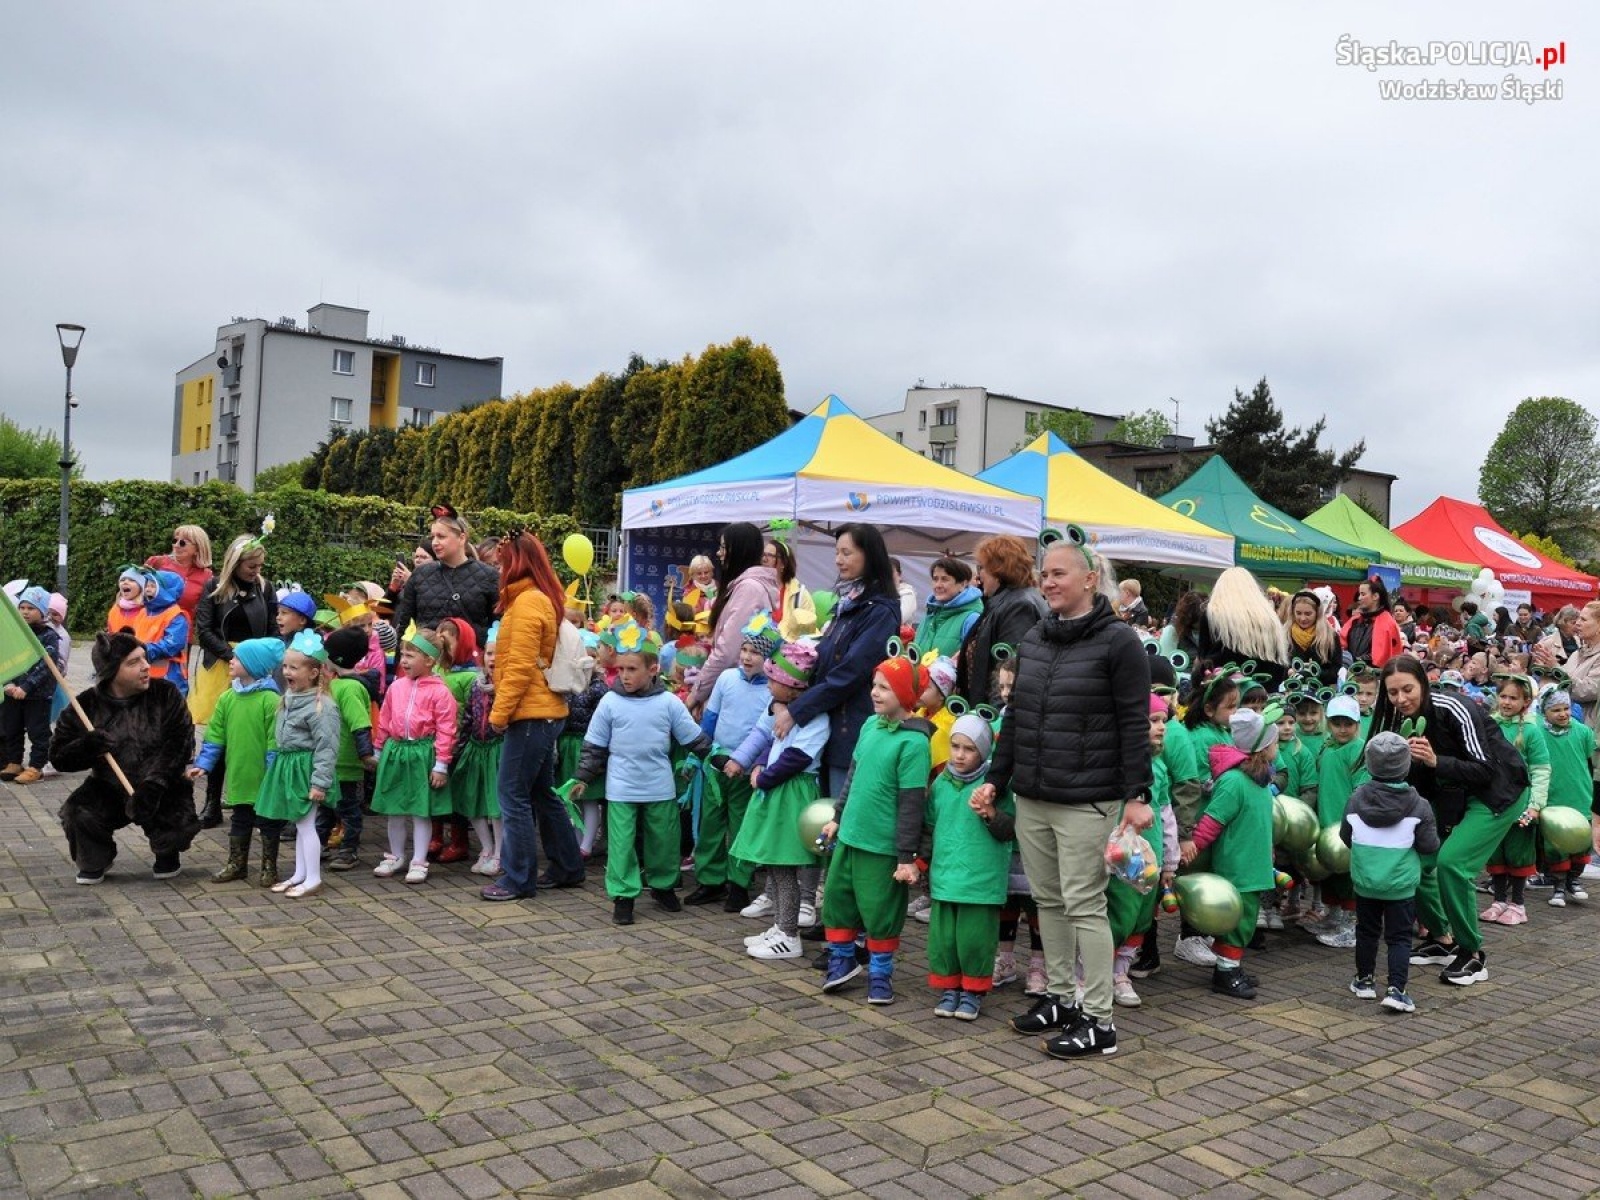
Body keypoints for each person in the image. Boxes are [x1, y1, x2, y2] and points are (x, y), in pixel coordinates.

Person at [976, 535, 1153, 1059]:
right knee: (1047, 901)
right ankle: (1058, 998)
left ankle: (1098, 1020)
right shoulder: (1035, 637)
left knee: (1083, 905)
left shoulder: (1119, 642)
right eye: (1044, 574)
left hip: (1087, 798)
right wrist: (998, 778)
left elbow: (1132, 724)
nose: (1048, 582)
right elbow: (1017, 718)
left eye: (1058, 573)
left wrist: (1138, 794)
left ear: (1089, 580)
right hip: (1034, 795)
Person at [1370, 655, 1526, 986]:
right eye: (1393, 693)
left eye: (1408, 689)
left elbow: (1484, 769)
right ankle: (1443, 939)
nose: (1401, 699)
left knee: (1452, 864)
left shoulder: (1454, 707)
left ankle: (1473, 954)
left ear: (1423, 683)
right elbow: (1417, 779)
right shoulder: (1399, 719)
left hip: (1497, 792)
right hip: (1452, 795)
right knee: (1416, 858)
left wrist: (1435, 760)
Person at [572, 622, 713, 926]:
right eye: (621, 669)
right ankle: (623, 897)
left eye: (632, 669)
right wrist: (582, 776)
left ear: (652, 669)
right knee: (621, 845)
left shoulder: (668, 703)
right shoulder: (610, 702)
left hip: (659, 787)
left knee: (663, 841)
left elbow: (694, 739)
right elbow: (594, 745)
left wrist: (720, 759)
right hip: (621, 788)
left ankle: (662, 886)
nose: (624, 675)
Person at [816, 655, 934, 1005]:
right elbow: (853, 775)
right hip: (850, 836)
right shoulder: (871, 726)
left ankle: (880, 973)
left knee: (881, 912)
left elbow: (913, 804)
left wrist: (906, 856)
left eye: (884, 687)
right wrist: (837, 817)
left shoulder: (914, 744)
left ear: (904, 693)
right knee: (838, 901)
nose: (874, 692)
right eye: (874, 685)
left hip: (882, 847)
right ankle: (841, 961)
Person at [50, 630, 201, 884]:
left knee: (174, 812)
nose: (145, 667)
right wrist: (87, 746)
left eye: (144, 658)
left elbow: (180, 743)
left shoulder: (165, 694)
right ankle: (95, 858)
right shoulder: (85, 705)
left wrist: (153, 785)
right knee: (77, 812)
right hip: (108, 785)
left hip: (159, 784)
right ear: (111, 671)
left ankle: (167, 852)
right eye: (133, 662)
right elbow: (58, 757)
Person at [483, 530, 583, 902]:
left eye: (500, 561)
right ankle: (567, 866)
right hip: (542, 712)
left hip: (530, 714)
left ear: (515, 562)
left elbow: (520, 668)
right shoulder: (535, 599)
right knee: (541, 793)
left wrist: (499, 714)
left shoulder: (526, 603)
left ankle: (517, 878)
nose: (496, 567)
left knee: (513, 795)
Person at [728, 640, 827, 961]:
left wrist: (765, 776)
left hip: (791, 795)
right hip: (777, 793)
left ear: (792, 687)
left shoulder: (815, 718)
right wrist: (756, 764)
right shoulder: (779, 710)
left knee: (784, 867)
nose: (769, 685)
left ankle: (789, 935)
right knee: (773, 864)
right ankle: (781, 926)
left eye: (774, 681)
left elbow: (797, 756)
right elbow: (769, 742)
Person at [1341, 732, 1439, 1014]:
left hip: (1365, 881)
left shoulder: (1355, 799)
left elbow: (1345, 836)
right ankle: (1397, 989)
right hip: (1401, 885)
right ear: (1406, 766)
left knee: (1367, 931)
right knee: (1398, 938)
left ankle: (1364, 981)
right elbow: (1429, 844)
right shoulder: (1419, 805)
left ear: (1369, 766)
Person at [925, 713, 1013, 1021]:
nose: (960, 755)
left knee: (974, 938)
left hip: (980, 880)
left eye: (969, 749)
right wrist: (920, 861)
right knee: (945, 939)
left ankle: (973, 990)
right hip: (945, 876)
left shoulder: (995, 787)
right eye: (955, 746)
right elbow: (929, 824)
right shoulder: (941, 783)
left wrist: (989, 813)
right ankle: (950, 988)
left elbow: (1011, 830)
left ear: (985, 751)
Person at [688, 615, 779, 911]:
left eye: (756, 652)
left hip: (747, 769)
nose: (747, 657)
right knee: (711, 821)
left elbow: (768, 733)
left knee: (742, 825)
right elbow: (711, 719)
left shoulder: (772, 690)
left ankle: (739, 882)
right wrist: (701, 753)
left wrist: (756, 762)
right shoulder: (726, 679)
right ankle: (710, 880)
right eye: (745, 649)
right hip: (717, 764)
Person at [1190, 709, 1279, 999]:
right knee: (1237, 920)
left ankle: (1231, 964)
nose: (1278, 747)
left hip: (1254, 862)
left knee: (1247, 917)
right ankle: (1225, 972)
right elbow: (1212, 820)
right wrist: (1193, 847)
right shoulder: (1234, 781)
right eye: (1274, 742)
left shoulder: (1260, 779)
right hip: (1238, 865)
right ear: (1262, 748)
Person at [191, 533, 277, 826]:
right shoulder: (214, 587)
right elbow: (204, 629)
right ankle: (212, 803)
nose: (257, 572)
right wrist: (232, 656)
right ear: (235, 563)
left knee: (253, 734)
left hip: (256, 667)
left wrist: (259, 659)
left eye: (260, 566)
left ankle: (255, 800)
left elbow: (273, 631)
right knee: (220, 733)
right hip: (222, 665)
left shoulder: (266, 589)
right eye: (251, 567)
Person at [253, 631, 344, 899]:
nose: (287, 671)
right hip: (289, 766)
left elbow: (327, 747)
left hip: (306, 769)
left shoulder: (322, 706)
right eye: (285, 666)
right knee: (299, 822)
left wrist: (319, 783)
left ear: (314, 672)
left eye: (294, 667)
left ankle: (313, 877)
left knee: (306, 825)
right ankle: (300, 874)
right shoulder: (290, 697)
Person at [189, 637, 285, 885]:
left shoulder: (270, 700)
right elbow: (215, 736)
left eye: (238, 658)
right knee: (240, 820)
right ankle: (237, 864)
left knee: (268, 823)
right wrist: (203, 764)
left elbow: (276, 740)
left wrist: (272, 770)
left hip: (264, 776)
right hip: (240, 775)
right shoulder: (227, 698)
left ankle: (268, 867)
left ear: (253, 664)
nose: (231, 660)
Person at [370, 629, 459, 885]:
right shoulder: (396, 687)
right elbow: (385, 720)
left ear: (430, 660)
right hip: (396, 752)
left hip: (423, 755)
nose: (404, 661)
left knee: (421, 811)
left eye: (410, 655)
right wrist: (378, 750)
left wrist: (441, 764)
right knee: (394, 809)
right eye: (402, 655)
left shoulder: (441, 692)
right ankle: (396, 855)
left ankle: (419, 860)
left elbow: (446, 730)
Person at [688, 522, 780, 716]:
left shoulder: (749, 589)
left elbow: (727, 651)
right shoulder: (742, 586)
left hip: (734, 693)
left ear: (739, 550)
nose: (719, 553)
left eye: (723, 547)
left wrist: (696, 694)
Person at [1482, 673, 1548, 926]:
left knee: (1518, 852)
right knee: (1496, 851)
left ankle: (1518, 904)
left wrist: (1535, 805)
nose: (1507, 702)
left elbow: (1541, 769)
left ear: (1526, 702)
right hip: (1495, 801)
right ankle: (1499, 900)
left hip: (1521, 802)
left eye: (1514, 698)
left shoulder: (1532, 731)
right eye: (1503, 696)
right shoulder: (1490, 724)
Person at [955, 535, 1047, 709]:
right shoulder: (1004, 601)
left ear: (999, 570)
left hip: (994, 717)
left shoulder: (1018, 606)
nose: (979, 574)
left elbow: (1008, 671)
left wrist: (994, 722)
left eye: (981, 567)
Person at [391, 506, 500, 646]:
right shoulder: (420, 575)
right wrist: (401, 661)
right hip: (428, 660)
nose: (435, 542)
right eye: (433, 537)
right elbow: (405, 624)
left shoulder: (489, 576)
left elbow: (497, 627)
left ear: (461, 538)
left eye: (441, 536)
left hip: (470, 662)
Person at [449, 621, 505, 879]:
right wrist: (460, 746)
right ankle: (486, 848)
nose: (493, 658)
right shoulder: (475, 684)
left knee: (495, 806)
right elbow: (470, 717)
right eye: (490, 653)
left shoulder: (507, 686)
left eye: (499, 653)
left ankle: (500, 853)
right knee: (473, 801)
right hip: (476, 748)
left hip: (497, 750)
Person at [321, 626, 377, 872]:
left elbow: (359, 724)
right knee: (324, 808)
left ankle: (349, 850)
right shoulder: (334, 684)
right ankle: (318, 844)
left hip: (346, 763)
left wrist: (365, 754)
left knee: (348, 809)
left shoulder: (350, 688)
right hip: (328, 762)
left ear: (336, 658)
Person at [1538, 690, 1596, 905]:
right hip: (1553, 798)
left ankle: (1573, 879)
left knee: (1581, 841)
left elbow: (1592, 762)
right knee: (1556, 845)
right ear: (1545, 712)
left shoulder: (1582, 732)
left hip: (1581, 796)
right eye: (1556, 710)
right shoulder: (1538, 732)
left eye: (1566, 709)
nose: (1563, 714)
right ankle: (1558, 886)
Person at [2, 586, 64, 785]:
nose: (26, 612)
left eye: (31, 608)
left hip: (37, 696)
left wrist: (27, 686)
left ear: (43, 611)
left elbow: (46, 666)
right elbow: (7, 658)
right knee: (11, 728)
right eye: (22, 607)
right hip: (13, 693)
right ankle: (14, 761)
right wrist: (8, 682)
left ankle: (36, 766)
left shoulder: (49, 636)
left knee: (38, 732)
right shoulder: (15, 635)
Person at [1197, 567, 1289, 690]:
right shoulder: (1269, 617)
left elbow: (1204, 655)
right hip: (1264, 688)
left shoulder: (1213, 614)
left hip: (1224, 688)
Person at [144, 525, 214, 645]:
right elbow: (136, 594)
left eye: (182, 543)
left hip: (179, 636)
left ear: (197, 549)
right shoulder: (157, 563)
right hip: (149, 630)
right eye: (174, 541)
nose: (176, 545)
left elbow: (206, 611)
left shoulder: (206, 576)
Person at [915, 557, 984, 661]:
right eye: (935, 579)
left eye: (944, 579)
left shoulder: (972, 619)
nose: (938, 585)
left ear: (962, 584)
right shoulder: (930, 615)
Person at [1342, 575, 1405, 669]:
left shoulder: (1387, 623)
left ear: (1375, 596)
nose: (1359, 598)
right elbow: (1342, 644)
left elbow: (1383, 657)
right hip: (1350, 674)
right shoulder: (1354, 621)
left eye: (1363, 594)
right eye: (1360, 594)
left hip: (1374, 677)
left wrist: (1354, 661)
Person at [1286, 589, 1342, 687]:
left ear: (1317, 613)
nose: (1303, 618)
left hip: (1320, 694)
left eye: (1308, 614)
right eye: (1298, 613)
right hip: (1289, 692)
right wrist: (1287, 672)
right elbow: (1276, 667)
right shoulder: (1284, 636)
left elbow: (1336, 670)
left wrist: (1313, 674)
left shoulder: (1330, 637)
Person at [764, 537, 816, 642]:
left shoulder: (800, 594)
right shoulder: (755, 588)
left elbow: (809, 631)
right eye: (763, 554)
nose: (764, 559)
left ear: (783, 563)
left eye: (770, 556)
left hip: (786, 654)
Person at [891, 557, 918, 625]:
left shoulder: (907, 594)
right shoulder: (878, 594)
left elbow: (900, 618)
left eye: (891, 572)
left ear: (899, 575)